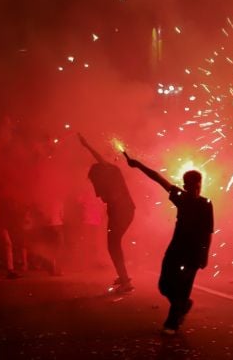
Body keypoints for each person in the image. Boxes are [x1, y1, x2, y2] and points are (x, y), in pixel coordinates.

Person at [124, 152, 213, 334]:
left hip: (193, 254)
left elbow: (208, 231)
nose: (195, 190)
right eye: (192, 186)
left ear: (200, 185)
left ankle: (172, 323)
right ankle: (182, 306)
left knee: (183, 287)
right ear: (185, 186)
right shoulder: (181, 197)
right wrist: (139, 165)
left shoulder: (206, 204)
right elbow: (158, 178)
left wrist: (205, 254)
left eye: (198, 186)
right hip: (175, 249)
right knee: (164, 285)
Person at [79, 134, 135, 293]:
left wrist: (87, 146)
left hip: (122, 212)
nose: (92, 183)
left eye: (92, 179)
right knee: (114, 244)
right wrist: (87, 146)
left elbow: (101, 162)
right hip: (127, 211)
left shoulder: (109, 177)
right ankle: (123, 276)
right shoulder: (113, 171)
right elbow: (101, 161)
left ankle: (125, 281)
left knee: (113, 245)